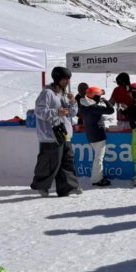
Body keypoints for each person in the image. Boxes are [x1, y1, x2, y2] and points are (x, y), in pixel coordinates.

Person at [30, 67, 81, 198]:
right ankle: (42, 187)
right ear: (57, 78)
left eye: (68, 79)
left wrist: (73, 102)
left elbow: (73, 113)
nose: (67, 82)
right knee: (49, 162)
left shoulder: (63, 94)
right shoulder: (47, 93)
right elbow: (39, 111)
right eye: (64, 79)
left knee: (67, 162)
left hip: (64, 133)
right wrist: (56, 112)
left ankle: (68, 188)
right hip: (51, 135)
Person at [80, 86, 115, 187]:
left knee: (97, 158)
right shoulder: (94, 107)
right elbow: (110, 110)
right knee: (98, 158)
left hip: (91, 134)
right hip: (98, 135)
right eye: (99, 96)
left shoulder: (85, 106)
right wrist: (106, 101)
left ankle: (97, 177)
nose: (100, 97)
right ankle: (97, 179)